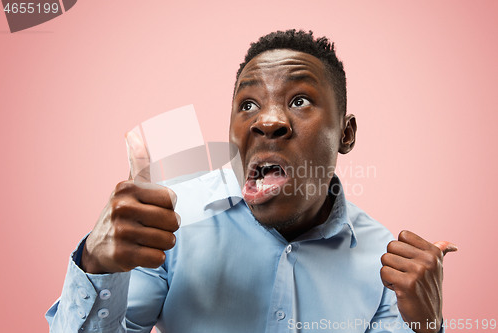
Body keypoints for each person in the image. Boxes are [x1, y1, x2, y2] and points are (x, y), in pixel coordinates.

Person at [46, 30, 456, 333]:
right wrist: (96, 267)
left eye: (299, 100)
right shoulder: (170, 222)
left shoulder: (384, 265)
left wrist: (426, 327)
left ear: (346, 134)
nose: (268, 120)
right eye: (248, 104)